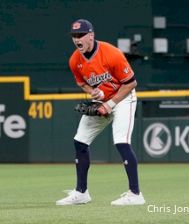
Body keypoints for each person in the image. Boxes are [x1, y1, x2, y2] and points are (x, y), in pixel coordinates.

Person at [56, 19, 145, 206]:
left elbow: (131, 83)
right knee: (80, 141)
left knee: (121, 141)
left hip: (124, 97)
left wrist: (110, 104)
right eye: (74, 36)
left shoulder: (111, 53)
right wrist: (92, 92)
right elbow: (82, 83)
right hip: (102, 99)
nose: (76, 39)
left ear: (91, 35)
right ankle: (81, 193)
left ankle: (135, 194)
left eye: (80, 35)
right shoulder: (75, 60)